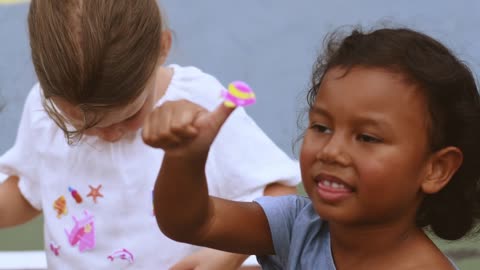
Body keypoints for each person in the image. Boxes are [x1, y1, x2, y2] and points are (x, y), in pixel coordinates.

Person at [144, 27, 480, 270]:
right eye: (322, 127)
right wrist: (185, 157)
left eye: (367, 137)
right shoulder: (298, 226)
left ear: (435, 169)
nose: (331, 151)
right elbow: (193, 223)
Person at [0, 1, 300, 269]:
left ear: (162, 48)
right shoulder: (43, 106)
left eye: (130, 115)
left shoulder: (199, 105)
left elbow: (277, 197)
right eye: (81, 127)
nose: (109, 135)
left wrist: (222, 256)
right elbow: (28, 191)